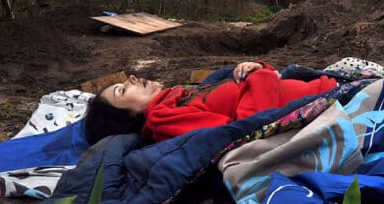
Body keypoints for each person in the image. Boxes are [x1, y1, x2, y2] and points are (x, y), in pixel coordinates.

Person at [83, 61, 338, 145]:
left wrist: (253, 68)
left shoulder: (175, 97)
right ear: (124, 118)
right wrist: (260, 76)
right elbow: (244, 130)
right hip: (328, 100)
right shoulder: (161, 118)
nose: (133, 78)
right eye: (123, 89)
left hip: (321, 87)